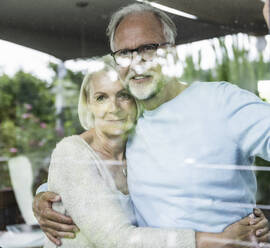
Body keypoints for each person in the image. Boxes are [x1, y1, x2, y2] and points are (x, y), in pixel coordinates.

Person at [33, 2, 270, 247]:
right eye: (125, 54)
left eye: (148, 48)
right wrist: (44, 197)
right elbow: (87, 169)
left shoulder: (222, 101)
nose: (137, 63)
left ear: (173, 52)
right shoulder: (130, 125)